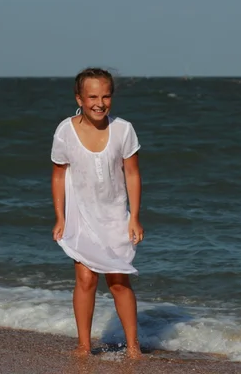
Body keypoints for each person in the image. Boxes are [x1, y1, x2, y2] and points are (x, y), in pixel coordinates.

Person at [50, 67, 144, 359]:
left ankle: (132, 345)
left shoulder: (124, 129)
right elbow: (57, 176)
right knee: (86, 279)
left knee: (119, 281)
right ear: (79, 97)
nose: (99, 103)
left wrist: (134, 216)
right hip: (81, 215)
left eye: (105, 96)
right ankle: (83, 344)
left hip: (115, 214)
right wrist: (60, 217)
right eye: (92, 96)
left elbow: (132, 174)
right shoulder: (65, 131)